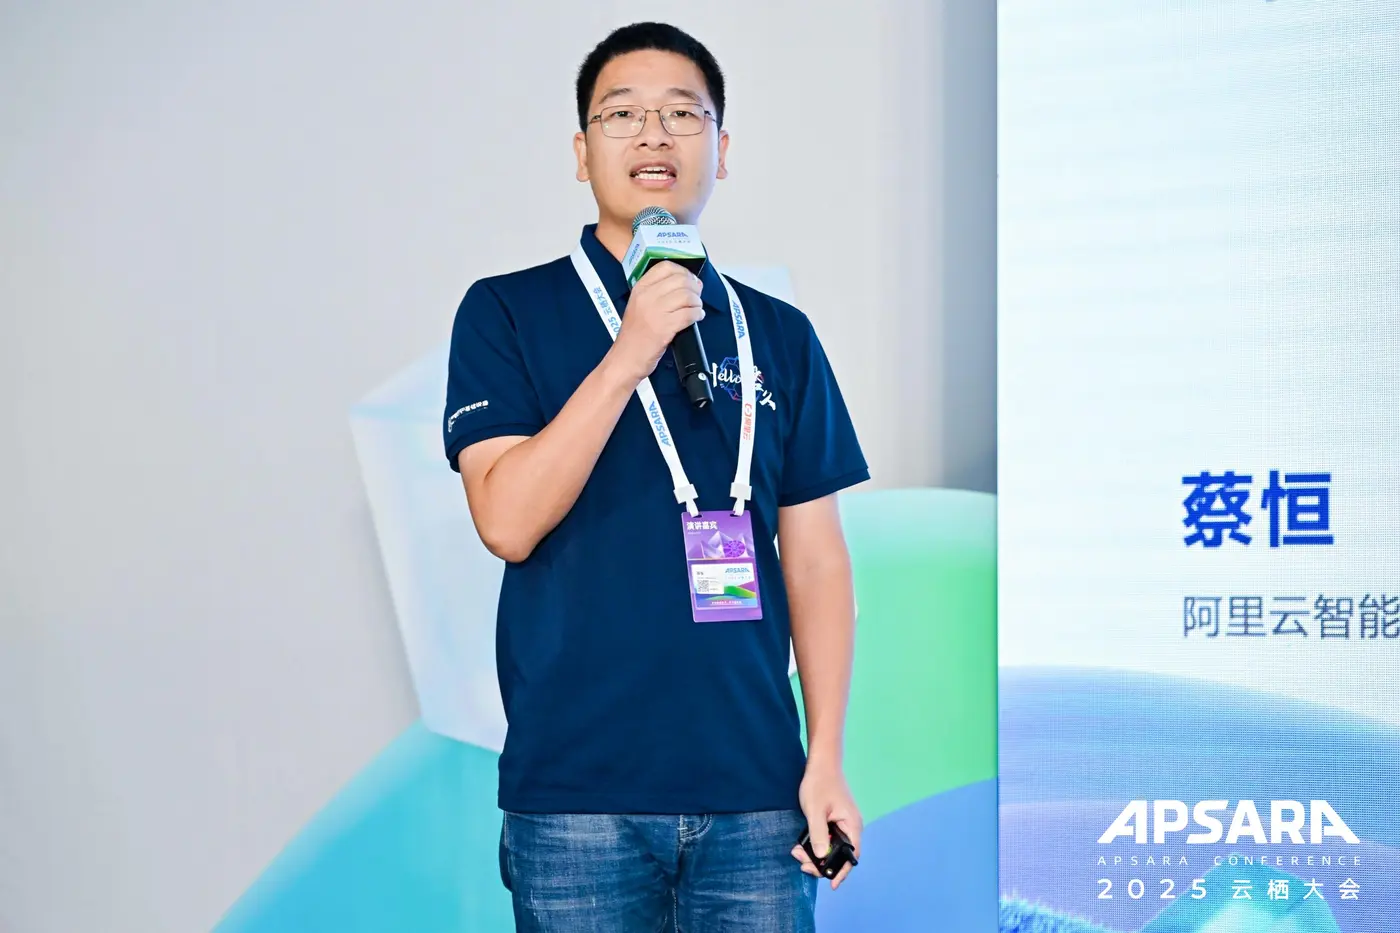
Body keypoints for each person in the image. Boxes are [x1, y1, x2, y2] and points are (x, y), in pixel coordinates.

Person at [442, 21, 868, 932]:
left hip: (758, 795)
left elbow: (817, 562)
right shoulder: (507, 311)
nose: (654, 135)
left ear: (722, 148)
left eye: (683, 114)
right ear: (581, 151)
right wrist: (631, 349)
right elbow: (507, 520)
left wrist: (824, 755)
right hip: (577, 801)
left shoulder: (778, 332)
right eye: (623, 114)